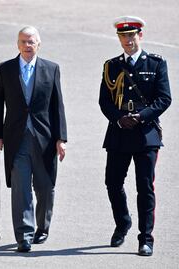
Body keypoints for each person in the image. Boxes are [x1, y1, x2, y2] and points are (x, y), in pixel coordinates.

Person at [99, 16, 171, 256]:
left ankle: (146, 238)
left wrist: (140, 117)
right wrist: (119, 118)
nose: (128, 40)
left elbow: (164, 98)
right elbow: (104, 100)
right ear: (118, 38)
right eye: (123, 36)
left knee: (145, 187)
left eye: (131, 35)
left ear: (140, 35)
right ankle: (123, 223)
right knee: (113, 183)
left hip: (145, 135)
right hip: (119, 133)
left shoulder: (156, 63)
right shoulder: (111, 65)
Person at [0, 26, 67, 252]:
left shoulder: (51, 69)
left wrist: (61, 138)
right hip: (16, 138)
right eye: (23, 41)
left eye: (31, 41)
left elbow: (57, 105)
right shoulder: (5, 69)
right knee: (20, 188)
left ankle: (42, 228)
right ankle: (24, 235)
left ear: (38, 44)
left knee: (45, 188)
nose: (27, 45)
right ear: (17, 44)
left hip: (45, 139)